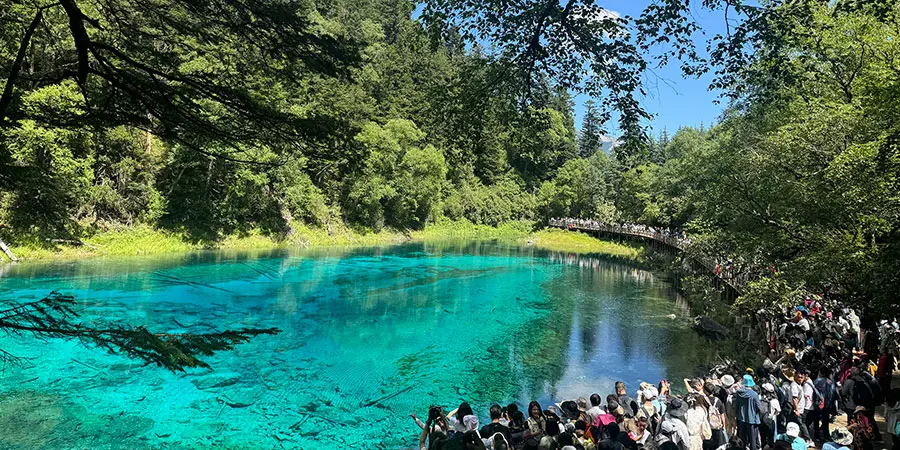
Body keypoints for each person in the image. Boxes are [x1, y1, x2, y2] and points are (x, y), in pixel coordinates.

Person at [734, 374, 763, 450]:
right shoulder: (754, 394)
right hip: (751, 419)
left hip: (741, 418)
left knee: (742, 438)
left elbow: (736, 405)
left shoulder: (738, 393)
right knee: (752, 438)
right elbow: (759, 407)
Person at [813, 367, 837, 442]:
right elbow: (833, 394)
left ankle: (817, 436)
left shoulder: (816, 381)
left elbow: (813, 394)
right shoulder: (830, 382)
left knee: (816, 420)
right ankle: (826, 435)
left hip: (818, 405)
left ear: (820, 372)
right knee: (825, 421)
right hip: (827, 405)